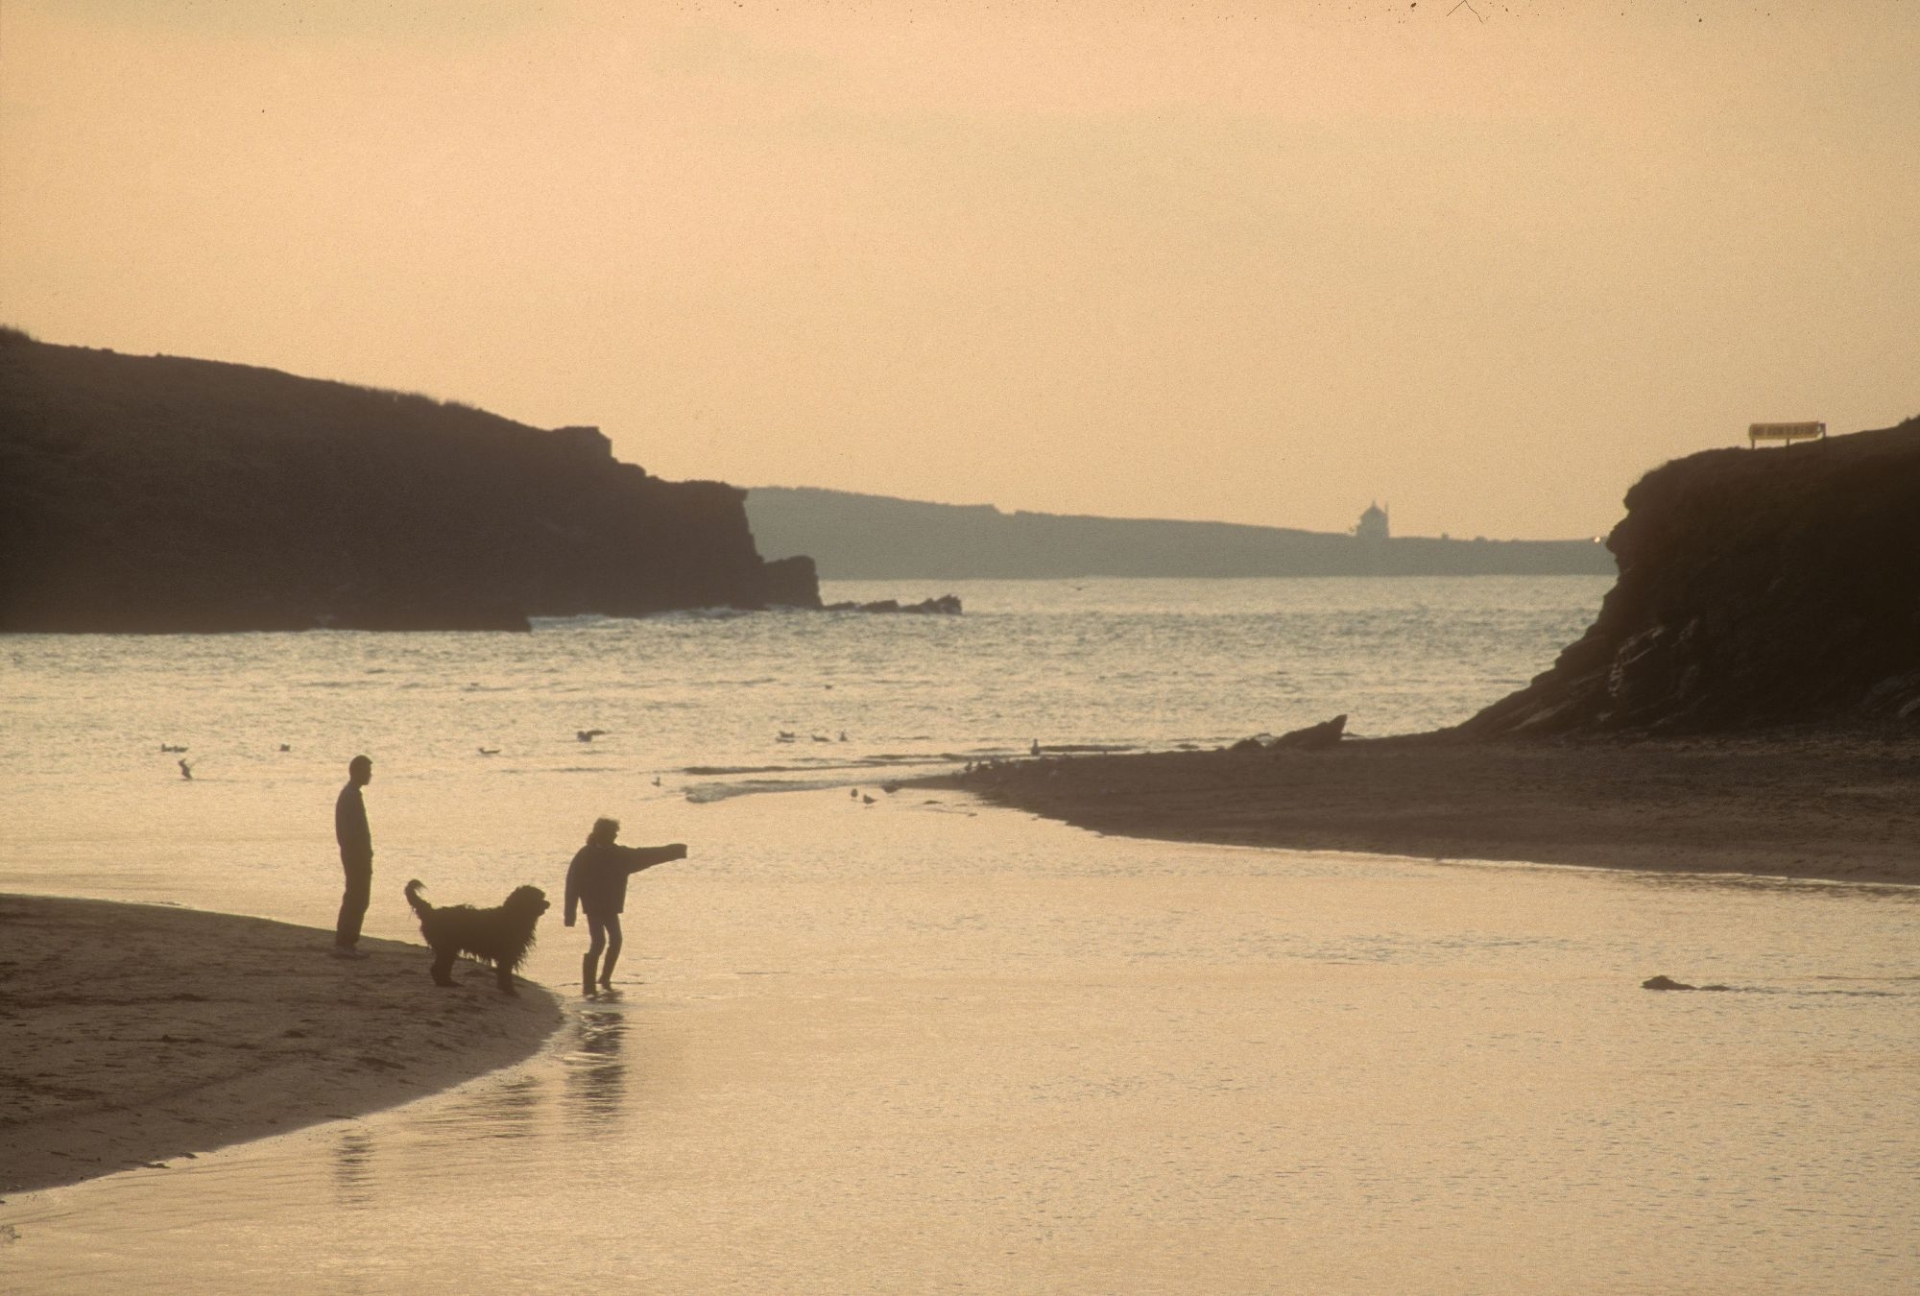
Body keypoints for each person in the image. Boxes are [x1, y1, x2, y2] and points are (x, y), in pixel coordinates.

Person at [564, 817, 686, 994]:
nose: (615, 835)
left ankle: (604, 978)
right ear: (601, 833)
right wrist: (569, 915)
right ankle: (588, 983)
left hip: (611, 907)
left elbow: (646, 855)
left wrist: (676, 851)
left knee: (616, 940)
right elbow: (572, 884)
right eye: (612, 832)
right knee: (598, 942)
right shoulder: (585, 854)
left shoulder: (619, 854)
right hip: (593, 907)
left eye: (615, 833)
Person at [333, 755, 374, 958]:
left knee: (358, 897)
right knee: (357, 898)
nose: (370, 775)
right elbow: (348, 831)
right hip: (355, 855)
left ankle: (347, 941)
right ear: (356, 772)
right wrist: (358, 853)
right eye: (366, 771)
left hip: (357, 854)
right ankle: (345, 943)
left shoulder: (352, 794)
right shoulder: (350, 796)